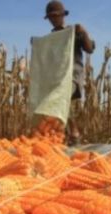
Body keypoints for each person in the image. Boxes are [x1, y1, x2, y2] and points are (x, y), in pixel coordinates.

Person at [34, 1, 95, 145]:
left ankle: (73, 133)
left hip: (73, 75)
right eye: (50, 17)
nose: (53, 19)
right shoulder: (51, 39)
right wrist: (37, 46)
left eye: (55, 16)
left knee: (62, 98)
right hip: (58, 78)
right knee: (58, 105)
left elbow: (90, 48)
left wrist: (84, 32)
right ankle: (61, 136)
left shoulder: (73, 33)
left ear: (62, 15)